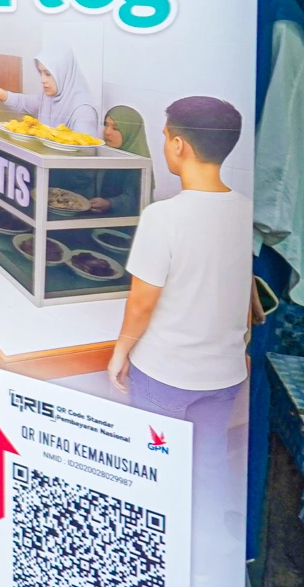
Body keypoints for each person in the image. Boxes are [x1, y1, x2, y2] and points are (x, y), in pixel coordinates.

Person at [108, 97, 252, 543]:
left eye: (166, 134)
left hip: (166, 375)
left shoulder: (164, 216)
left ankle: (159, 561)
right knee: (208, 466)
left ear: (179, 145)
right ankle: (208, 559)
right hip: (224, 374)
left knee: (157, 472)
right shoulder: (247, 210)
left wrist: (120, 352)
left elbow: (141, 304)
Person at [0, 42, 101, 138]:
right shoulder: (48, 97)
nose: (43, 80)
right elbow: (24, 102)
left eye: (48, 74)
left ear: (64, 74)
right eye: (41, 73)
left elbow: (83, 156)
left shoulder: (83, 111)